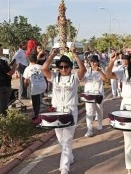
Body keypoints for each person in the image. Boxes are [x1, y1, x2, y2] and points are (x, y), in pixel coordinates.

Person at [42, 45, 86, 174]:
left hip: (70, 111)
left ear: (70, 67)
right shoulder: (55, 77)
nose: (63, 69)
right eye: (60, 67)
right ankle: (70, 157)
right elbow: (44, 68)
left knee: (67, 140)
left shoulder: (74, 78)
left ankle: (64, 169)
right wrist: (52, 55)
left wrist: (75, 54)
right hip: (57, 111)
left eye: (66, 67)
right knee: (60, 139)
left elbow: (83, 69)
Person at [83, 55, 107, 137]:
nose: (93, 63)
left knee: (99, 109)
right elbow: (82, 79)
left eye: (95, 61)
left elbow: (105, 79)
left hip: (98, 94)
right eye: (91, 62)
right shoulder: (86, 70)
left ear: (98, 62)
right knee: (89, 112)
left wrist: (99, 71)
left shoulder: (101, 69)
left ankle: (100, 123)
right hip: (89, 95)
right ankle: (89, 130)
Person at [23, 53, 47, 119]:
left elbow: (26, 80)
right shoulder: (41, 67)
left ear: (29, 60)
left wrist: (26, 86)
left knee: (34, 101)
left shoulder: (27, 68)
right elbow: (46, 76)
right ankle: (39, 106)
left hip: (35, 87)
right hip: (43, 85)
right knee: (39, 97)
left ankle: (36, 115)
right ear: (36, 60)